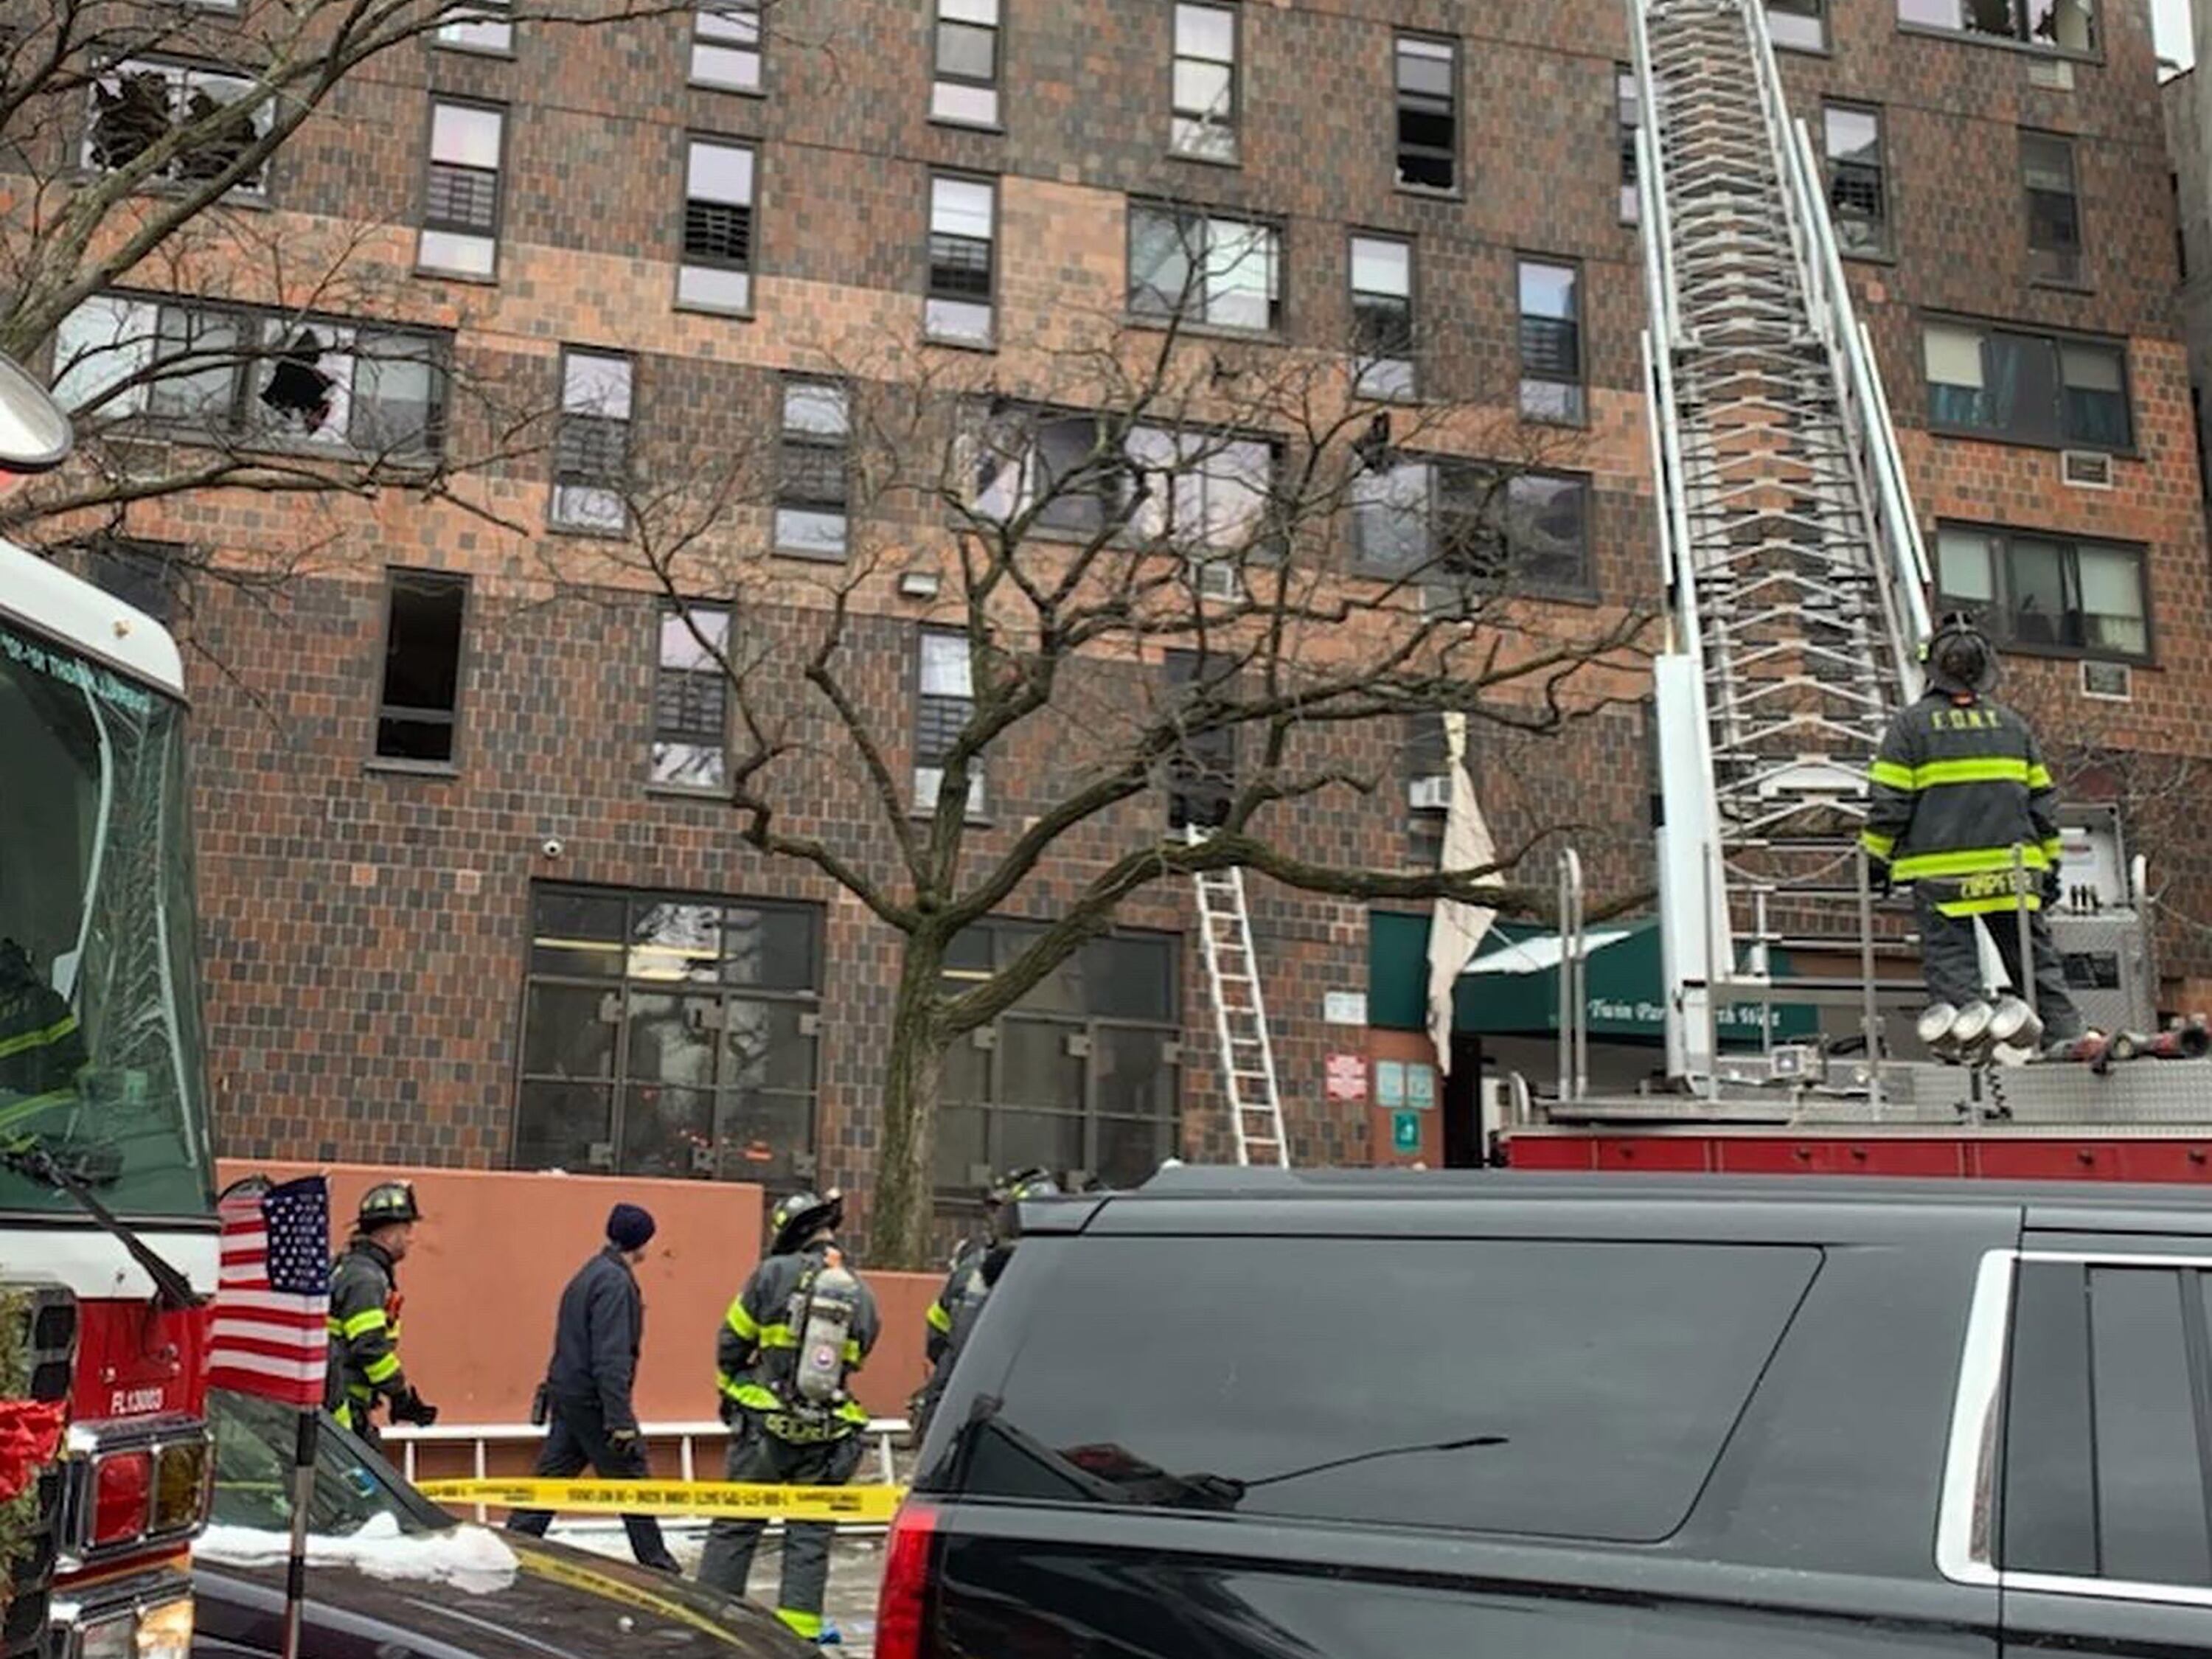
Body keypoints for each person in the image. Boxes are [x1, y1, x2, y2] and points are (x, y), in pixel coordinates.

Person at [1860, 612, 2090, 1054]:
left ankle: (1972, 1064)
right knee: (2038, 970)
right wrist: (2051, 867)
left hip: (1942, 883)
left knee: (1956, 978)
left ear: (1934, 668)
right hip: (2012, 877)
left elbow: (1890, 805)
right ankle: (2070, 1046)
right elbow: (2043, 804)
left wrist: (1875, 859)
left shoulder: (1911, 727)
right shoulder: (2013, 726)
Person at [697, 1189, 881, 1644]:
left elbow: (731, 1343)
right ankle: (798, 1640)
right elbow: (857, 1358)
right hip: (828, 1435)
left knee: (736, 1528)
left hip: (765, 1430)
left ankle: (711, 1628)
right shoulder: (860, 1292)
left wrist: (737, 1390)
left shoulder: (771, 1275)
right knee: (810, 1537)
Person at [507, 1203, 680, 1572]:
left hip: (569, 1397)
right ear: (641, 1242)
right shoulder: (615, 1283)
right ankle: (661, 1569)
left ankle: (511, 1548)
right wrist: (619, 1420)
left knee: (550, 1481)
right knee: (633, 1482)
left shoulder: (588, 1274)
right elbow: (611, 1356)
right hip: (594, 1402)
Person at [914, 1167, 1059, 1437]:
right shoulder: (1065, 1270)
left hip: (961, 1412)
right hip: (1020, 1420)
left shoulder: (973, 1268)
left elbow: (938, 1340)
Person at [327, 1180, 437, 1450]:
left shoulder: (352, 1269)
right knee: (366, 1486)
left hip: (338, 1404)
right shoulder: (366, 1280)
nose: (411, 1238)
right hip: (343, 1408)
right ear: (387, 1233)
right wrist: (401, 1394)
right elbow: (369, 1347)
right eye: (407, 1229)